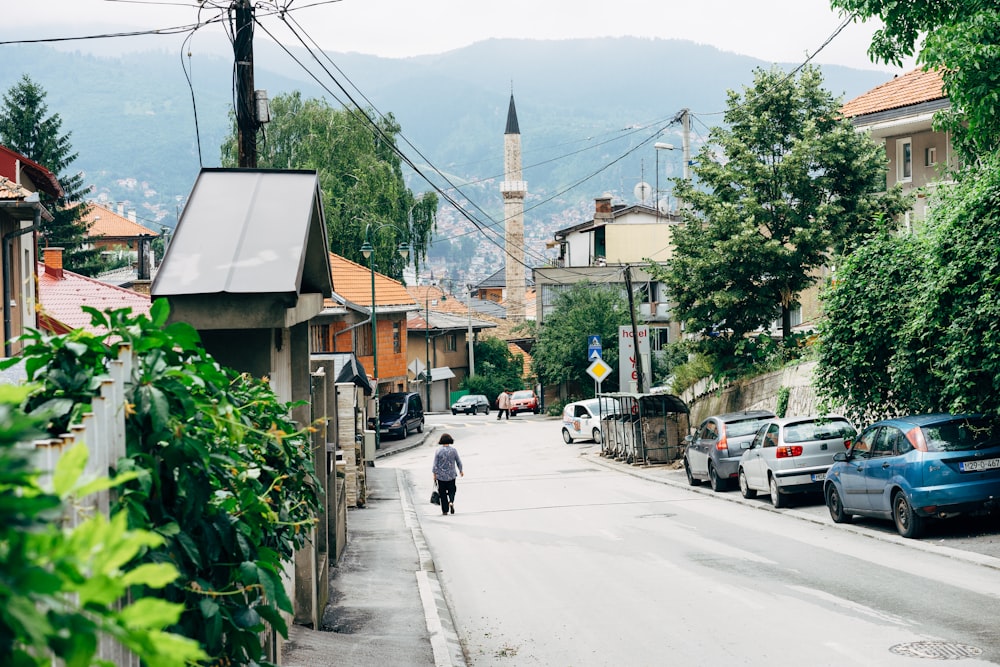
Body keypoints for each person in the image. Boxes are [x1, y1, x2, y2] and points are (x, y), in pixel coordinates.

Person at [432, 433, 463, 515]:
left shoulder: (438, 451)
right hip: (451, 475)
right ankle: (451, 501)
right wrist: (461, 470)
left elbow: (435, 464)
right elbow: (458, 461)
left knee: (442, 493)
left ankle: (445, 510)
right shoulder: (453, 450)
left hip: (441, 476)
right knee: (452, 490)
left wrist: (434, 474)